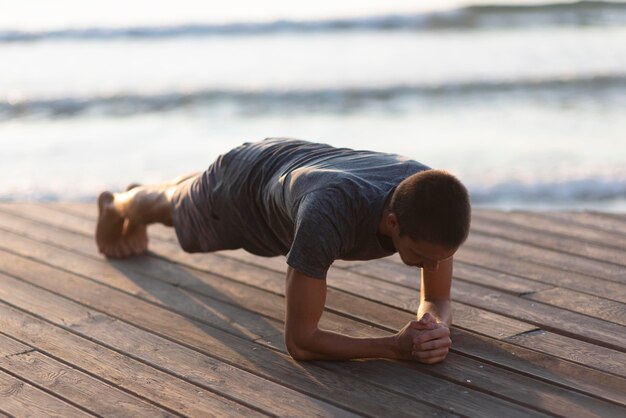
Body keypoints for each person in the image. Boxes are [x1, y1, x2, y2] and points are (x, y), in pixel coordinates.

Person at [95, 138, 471, 364]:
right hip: (238, 192)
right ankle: (119, 204)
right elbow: (300, 342)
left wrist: (433, 327)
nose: (434, 266)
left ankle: (164, 190)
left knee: (185, 191)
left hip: (291, 163)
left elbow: (437, 299)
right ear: (392, 222)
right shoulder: (328, 213)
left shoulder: (428, 198)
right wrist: (395, 348)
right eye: (422, 257)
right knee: (171, 208)